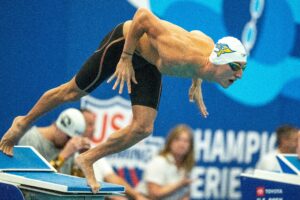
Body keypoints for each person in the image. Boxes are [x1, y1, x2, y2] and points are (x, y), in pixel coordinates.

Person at [0, 8, 247, 193]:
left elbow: (199, 35)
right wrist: (126, 57)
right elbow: (142, 16)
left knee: (143, 128)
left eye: (243, 69)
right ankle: (22, 123)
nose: (239, 75)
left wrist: (197, 81)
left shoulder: (206, 56)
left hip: (149, 61)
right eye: (235, 67)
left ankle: (88, 158)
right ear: (219, 62)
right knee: (73, 92)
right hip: (127, 41)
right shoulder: (178, 52)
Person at [74, 109, 149, 200]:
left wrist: (137, 196)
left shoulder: (93, 149)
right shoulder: (67, 148)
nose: (94, 128)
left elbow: (111, 177)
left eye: (94, 124)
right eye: (90, 124)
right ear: (77, 125)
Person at [18, 108, 91, 174]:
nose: (70, 143)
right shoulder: (31, 139)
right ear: (58, 127)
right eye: (68, 137)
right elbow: (33, 179)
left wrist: (83, 160)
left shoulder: (67, 146)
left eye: (73, 139)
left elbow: (74, 182)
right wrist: (63, 156)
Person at [136, 124, 195, 200]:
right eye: (177, 139)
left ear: (191, 146)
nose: (181, 144)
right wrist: (180, 184)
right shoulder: (159, 162)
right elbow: (154, 194)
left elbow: (185, 195)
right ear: (170, 142)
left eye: (186, 141)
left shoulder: (186, 167)